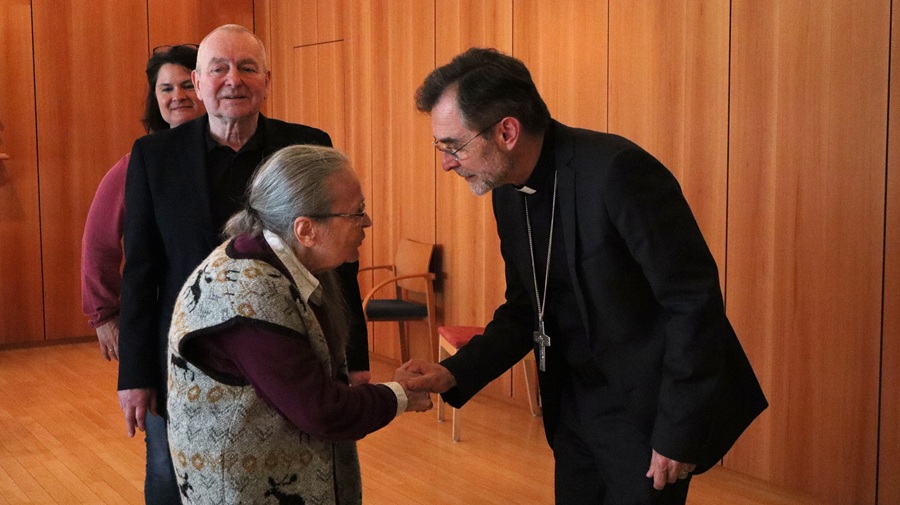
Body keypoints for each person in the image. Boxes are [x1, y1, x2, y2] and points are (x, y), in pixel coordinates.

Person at [404, 47, 768, 505]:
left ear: (507, 132)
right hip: (572, 405)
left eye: (453, 146)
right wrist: (453, 373)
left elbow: (692, 302)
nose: (447, 163)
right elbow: (525, 310)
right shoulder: (508, 193)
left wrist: (677, 432)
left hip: (646, 410)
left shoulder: (617, 171)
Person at [117, 24, 370, 504]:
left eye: (247, 68)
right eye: (219, 69)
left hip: (294, 353)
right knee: (171, 480)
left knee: (303, 475)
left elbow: (340, 264)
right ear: (198, 81)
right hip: (189, 359)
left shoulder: (307, 145)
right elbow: (141, 271)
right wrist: (135, 375)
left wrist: (355, 359)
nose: (233, 79)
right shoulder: (153, 156)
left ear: (267, 80)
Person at [166, 144, 431, 504]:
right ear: (306, 230)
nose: (367, 223)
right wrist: (400, 394)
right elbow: (322, 411)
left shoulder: (283, 261)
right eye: (357, 212)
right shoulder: (251, 293)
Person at [81, 44, 206, 362]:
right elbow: (98, 244)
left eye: (187, 85)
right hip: (161, 314)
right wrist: (104, 315)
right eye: (166, 88)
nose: (177, 96)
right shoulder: (135, 164)